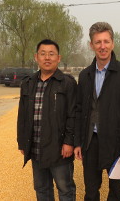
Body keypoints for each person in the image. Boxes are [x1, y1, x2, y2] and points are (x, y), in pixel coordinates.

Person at [73, 22, 120, 201]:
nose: (102, 46)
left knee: (116, 191)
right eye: (98, 42)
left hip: (117, 145)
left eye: (106, 41)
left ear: (112, 43)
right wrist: (78, 142)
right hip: (90, 143)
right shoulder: (85, 76)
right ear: (91, 45)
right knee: (91, 191)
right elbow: (79, 111)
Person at [17, 39, 77, 201]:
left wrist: (69, 142)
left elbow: (73, 114)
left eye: (51, 54)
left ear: (58, 58)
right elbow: (22, 116)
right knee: (42, 189)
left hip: (59, 149)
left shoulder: (67, 83)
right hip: (36, 148)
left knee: (65, 189)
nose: (47, 58)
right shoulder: (28, 83)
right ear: (36, 57)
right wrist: (22, 142)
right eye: (43, 54)